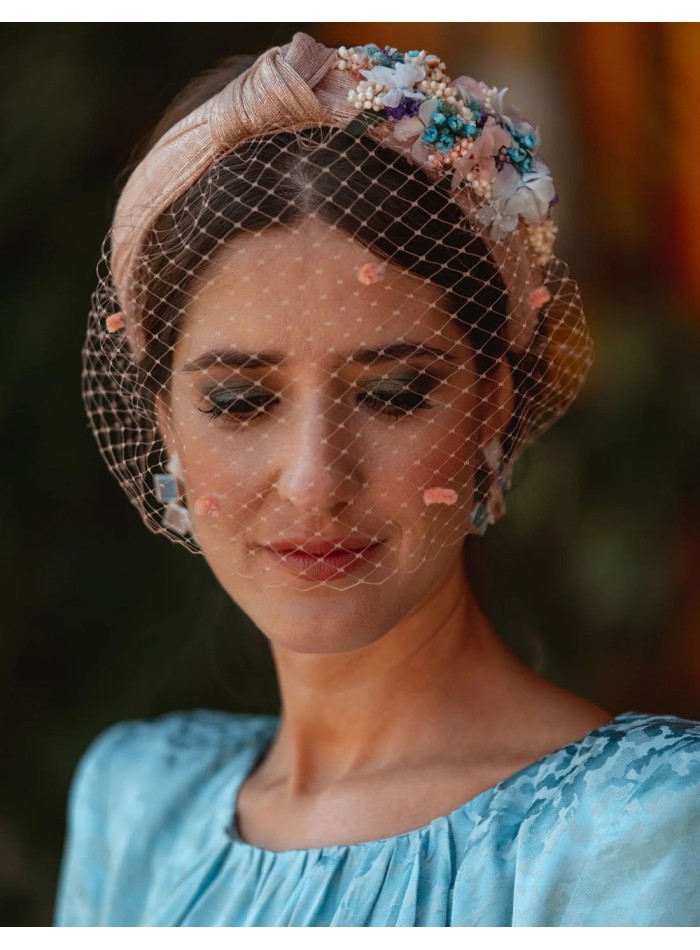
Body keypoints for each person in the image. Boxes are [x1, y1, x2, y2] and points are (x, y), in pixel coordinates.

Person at [56, 33, 700, 926]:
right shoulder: (135, 808)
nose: (316, 479)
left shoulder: (641, 829)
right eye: (241, 401)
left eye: (394, 393)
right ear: (164, 420)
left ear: (492, 406)